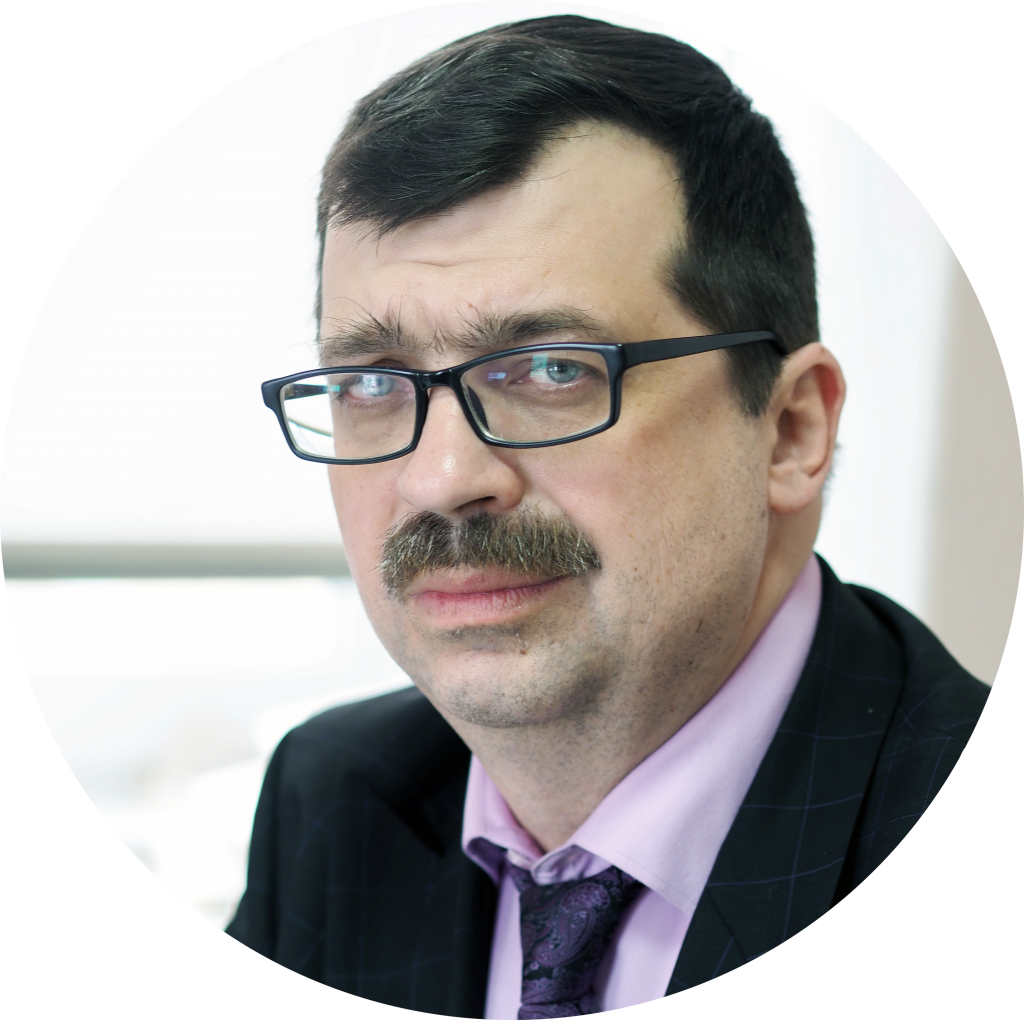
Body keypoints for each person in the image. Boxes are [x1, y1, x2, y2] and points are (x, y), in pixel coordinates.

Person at [226, 15, 990, 1015]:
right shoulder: (334, 800)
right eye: (371, 381)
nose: (441, 478)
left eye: (552, 369)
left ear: (790, 430)